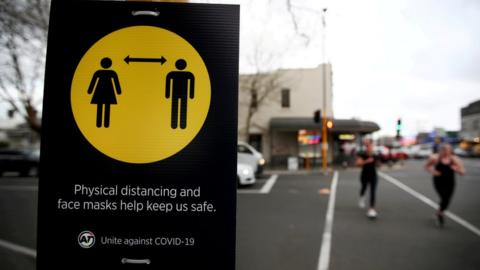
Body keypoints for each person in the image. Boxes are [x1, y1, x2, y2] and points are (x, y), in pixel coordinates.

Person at [424, 144, 465, 226]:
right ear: (441, 150)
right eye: (444, 149)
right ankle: (441, 213)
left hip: (450, 181)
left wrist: (456, 169)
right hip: (439, 181)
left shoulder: (454, 159)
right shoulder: (435, 158)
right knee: (443, 196)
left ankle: (440, 212)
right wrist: (433, 172)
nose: (446, 151)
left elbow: (462, 172)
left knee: (447, 198)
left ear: (450, 150)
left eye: (448, 149)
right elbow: (427, 166)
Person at [87, 57, 122, 128]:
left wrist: (90, 91)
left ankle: (102, 124)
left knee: (102, 107)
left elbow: (116, 82)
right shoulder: (109, 73)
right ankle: (102, 124)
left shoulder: (101, 72)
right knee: (105, 107)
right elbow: (116, 83)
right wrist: (118, 91)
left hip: (103, 91)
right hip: (106, 91)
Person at [355, 141, 379, 218]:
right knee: (364, 188)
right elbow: (358, 164)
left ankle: (371, 209)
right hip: (364, 175)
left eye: (371, 147)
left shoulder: (375, 155)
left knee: (373, 192)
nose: (370, 148)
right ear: (367, 148)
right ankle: (361, 198)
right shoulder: (362, 155)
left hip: (373, 176)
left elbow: (378, 164)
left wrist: (378, 163)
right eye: (369, 147)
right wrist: (366, 161)